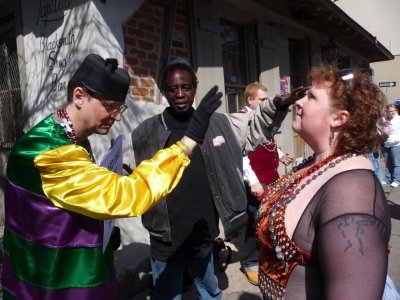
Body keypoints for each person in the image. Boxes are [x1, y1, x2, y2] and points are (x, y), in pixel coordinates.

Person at [1, 53, 222, 299]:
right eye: (110, 107)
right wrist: (188, 142)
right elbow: (127, 195)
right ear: (79, 96)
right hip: (54, 284)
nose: (117, 117)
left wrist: (98, 228)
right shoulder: (49, 152)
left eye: (120, 108)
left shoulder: (63, 136)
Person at [127, 57, 305, 300]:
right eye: (172, 88)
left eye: (186, 87)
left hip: (203, 231)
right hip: (164, 236)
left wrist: (277, 105)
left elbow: (253, 127)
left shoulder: (218, 123)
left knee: (210, 290)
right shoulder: (145, 132)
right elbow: (126, 176)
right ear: (163, 90)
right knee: (167, 294)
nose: (180, 94)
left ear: (195, 87)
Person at [256, 65, 391, 299]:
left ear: (338, 118)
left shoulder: (353, 193)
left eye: (311, 97)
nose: (298, 102)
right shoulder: (315, 163)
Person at [238, 82, 294, 285]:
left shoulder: (264, 118)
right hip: (254, 180)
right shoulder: (240, 120)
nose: (266, 103)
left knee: (271, 216)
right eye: (262, 100)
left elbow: (268, 141)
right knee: (253, 220)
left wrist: (279, 155)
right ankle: (250, 261)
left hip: (271, 176)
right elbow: (240, 154)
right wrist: (253, 181)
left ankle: (268, 254)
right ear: (250, 100)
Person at [380, 103, 400, 187]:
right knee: (387, 162)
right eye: (389, 111)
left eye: (393, 111)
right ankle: (388, 178)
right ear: (386, 111)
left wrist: (390, 137)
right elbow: (378, 129)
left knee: (396, 163)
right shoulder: (382, 119)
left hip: (395, 144)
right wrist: (382, 133)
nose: (391, 112)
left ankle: (397, 179)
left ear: (396, 111)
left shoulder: (399, 119)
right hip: (385, 144)